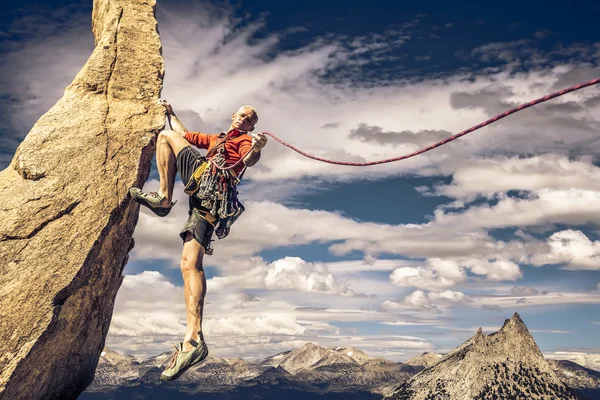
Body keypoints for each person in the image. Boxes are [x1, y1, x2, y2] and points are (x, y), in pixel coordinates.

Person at [129, 99, 267, 381]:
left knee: (166, 138)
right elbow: (186, 133)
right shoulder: (217, 138)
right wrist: (171, 113)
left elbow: (249, 159)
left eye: (250, 118)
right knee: (188, 264)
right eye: (241, 114)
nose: (244, 119)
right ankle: (194, 338)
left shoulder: (242, 141)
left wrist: (256, 146)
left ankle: (164, 198)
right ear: (233, 115)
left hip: (212, 187)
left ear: (253, 126)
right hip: (206, 198)